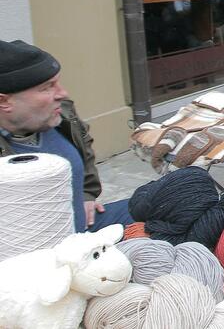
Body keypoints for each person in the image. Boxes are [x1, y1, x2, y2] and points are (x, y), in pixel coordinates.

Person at [0, 40, 133, 233]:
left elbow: (84, 143)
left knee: (178, 199)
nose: (62, 93)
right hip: (39, 253)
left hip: (85, 226)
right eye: (47, 87)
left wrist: (87, 193)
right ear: (4, 101)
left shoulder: (60, 112)